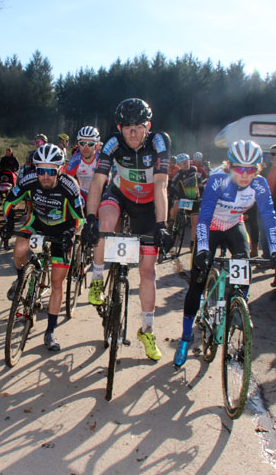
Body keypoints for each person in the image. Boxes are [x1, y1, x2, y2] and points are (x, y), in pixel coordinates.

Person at [174, 140, 276, 368]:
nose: (245, 175)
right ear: (229, 166)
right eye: (239, 169)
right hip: (212, 228)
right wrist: (203, 248)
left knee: (242, 271)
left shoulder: (260, 185)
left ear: (258, 169)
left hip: (235, 226)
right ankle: (186, 338)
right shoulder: (218, 181)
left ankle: (238, 312)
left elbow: (269, 218)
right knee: (197, 284)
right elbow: (204, 217)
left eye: (251, 169)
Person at [81, 98, 174, 361]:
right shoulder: (112, 143)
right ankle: (97, 279)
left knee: (148, 270)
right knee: (105, 221)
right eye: (127, 128)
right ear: (119, 127)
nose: (132, 134)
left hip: (147, 205)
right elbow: (98, 183)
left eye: (139, 127)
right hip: (120, 195)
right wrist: (90, 218)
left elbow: (161, 187)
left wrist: (162, 226)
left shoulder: (159, 143)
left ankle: (147, 330)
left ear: (148, 126)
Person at [1, 143, 84, 351]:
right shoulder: (29, 180)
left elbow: (79, 220)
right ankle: (23, 279)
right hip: (38, 223)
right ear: (35, 169)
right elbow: (9, 202)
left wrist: (69, 234)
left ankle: (50, 331)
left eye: (50, 171)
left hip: (62, 229)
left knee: (57, 282)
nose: (45, 176)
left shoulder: (69, 185)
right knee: (19, 249)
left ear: (60, 169)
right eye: (41, 170)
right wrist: (8, 222)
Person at [168, 153, 200, 250]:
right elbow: (172, 184)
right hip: (184, 199)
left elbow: (198, 182)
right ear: (179, 165)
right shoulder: (179, 174)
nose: (185, 165)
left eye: (186, 162)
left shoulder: (194, 169)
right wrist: (173, 194)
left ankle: (192, 243)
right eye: (183, 163)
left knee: (195, 223)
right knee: (175, 207)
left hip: (194, 199)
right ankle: (171, 222)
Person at [65, 126, 101, 205]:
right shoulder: (74, 161)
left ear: (97, 145)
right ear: (78, 144)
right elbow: (66, 182)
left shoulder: (101, 160)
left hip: (99, 193)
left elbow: (108, 182)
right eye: (82, 143)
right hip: (82, 193)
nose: (86, 148)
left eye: (90, 144)